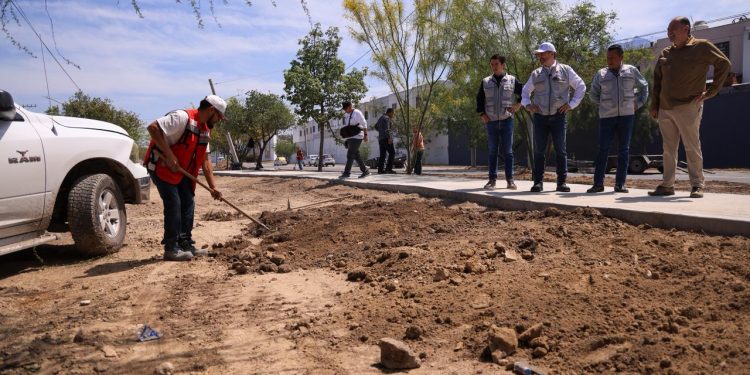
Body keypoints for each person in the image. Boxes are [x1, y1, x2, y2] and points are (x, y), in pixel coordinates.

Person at [648, 17, 731, 198]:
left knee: (692, 146)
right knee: (668, 149)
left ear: (686, 29)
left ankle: (697, 185)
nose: (669, 34)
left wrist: (711, 91)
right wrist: (655, 105)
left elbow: (724, 64)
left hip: (688, 106)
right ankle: (667, 185)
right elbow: (657, 82)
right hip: (665, 107)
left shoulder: (701, 47)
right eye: (668, 31)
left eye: (673, 30)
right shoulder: (665, 52)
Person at [143, 95, 226, 261]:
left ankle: (185, 243)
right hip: (161, 166)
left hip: (182, 172)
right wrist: (169, 154)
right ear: (211, 110)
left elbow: (205, 160)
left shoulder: (205, 130)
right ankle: (171, 249)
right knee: (174, 203)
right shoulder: (182, 118)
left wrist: (213, 187)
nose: (218, 120)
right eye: (219, 116)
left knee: (188, 202)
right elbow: (152, 128)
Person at [521, 42, 586, 193]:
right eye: (539, 54)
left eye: (543, 54)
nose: (540, 57)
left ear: (552, 54)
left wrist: (572, 104)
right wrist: (528, 105)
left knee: (560, 150)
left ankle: (561, 183)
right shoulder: (536, 74)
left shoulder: (566, 70)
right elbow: (525, 92)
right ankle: (538, 182)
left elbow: (581, 86)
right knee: (539, 151)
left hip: (559, 116)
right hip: (540, 117)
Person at [587, 44, 649, 193]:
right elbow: (593, 94)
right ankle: (598, 184)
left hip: (627, 116)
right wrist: (603, 105)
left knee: (624, 150)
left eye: (612, 58)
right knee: (603, 150)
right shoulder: (601, 74)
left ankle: (620, 184)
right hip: (606, 117)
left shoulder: (631, 71)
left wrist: (638, 103)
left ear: (621, 57)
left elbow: (644, 86)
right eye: (608, 58)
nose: (609, 61)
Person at [476, 54, 523, 190]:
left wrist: (518, 105)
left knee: (508, 151)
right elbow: (479, 99)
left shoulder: (512, 80)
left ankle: (510, 180)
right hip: (490, 121)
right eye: (492, 64)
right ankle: (492, 180)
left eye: (496, 64)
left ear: (503, 65)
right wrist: (482, 114)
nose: (494, 66)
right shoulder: (485, 82)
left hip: (507, 120)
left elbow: (525, 93)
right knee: (492, 151)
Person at [340, 101, 370, 179]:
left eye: (345, 108)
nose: (345, 110)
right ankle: (365, 171)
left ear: (350, 106)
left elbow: (364, 123)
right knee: (356, 155)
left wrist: (366, 135)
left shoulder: (357, 113)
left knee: (350, 154)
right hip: (351, 137)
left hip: (358, 136)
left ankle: (347, 173)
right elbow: (349, 128)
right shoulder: (347, 115)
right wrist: (347, 139)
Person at [376, 108, 397, 174]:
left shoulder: (381, 118)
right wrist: (389, 138)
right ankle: (388, 169)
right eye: (393, 113)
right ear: (390, 112)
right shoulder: (387, 118)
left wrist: (381, 131)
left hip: (381, 138)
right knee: (392, 153)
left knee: (382, 155)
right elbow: (387, 129)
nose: (393, 115)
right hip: (386, 138)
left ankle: (380, 170)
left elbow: (376, 126)